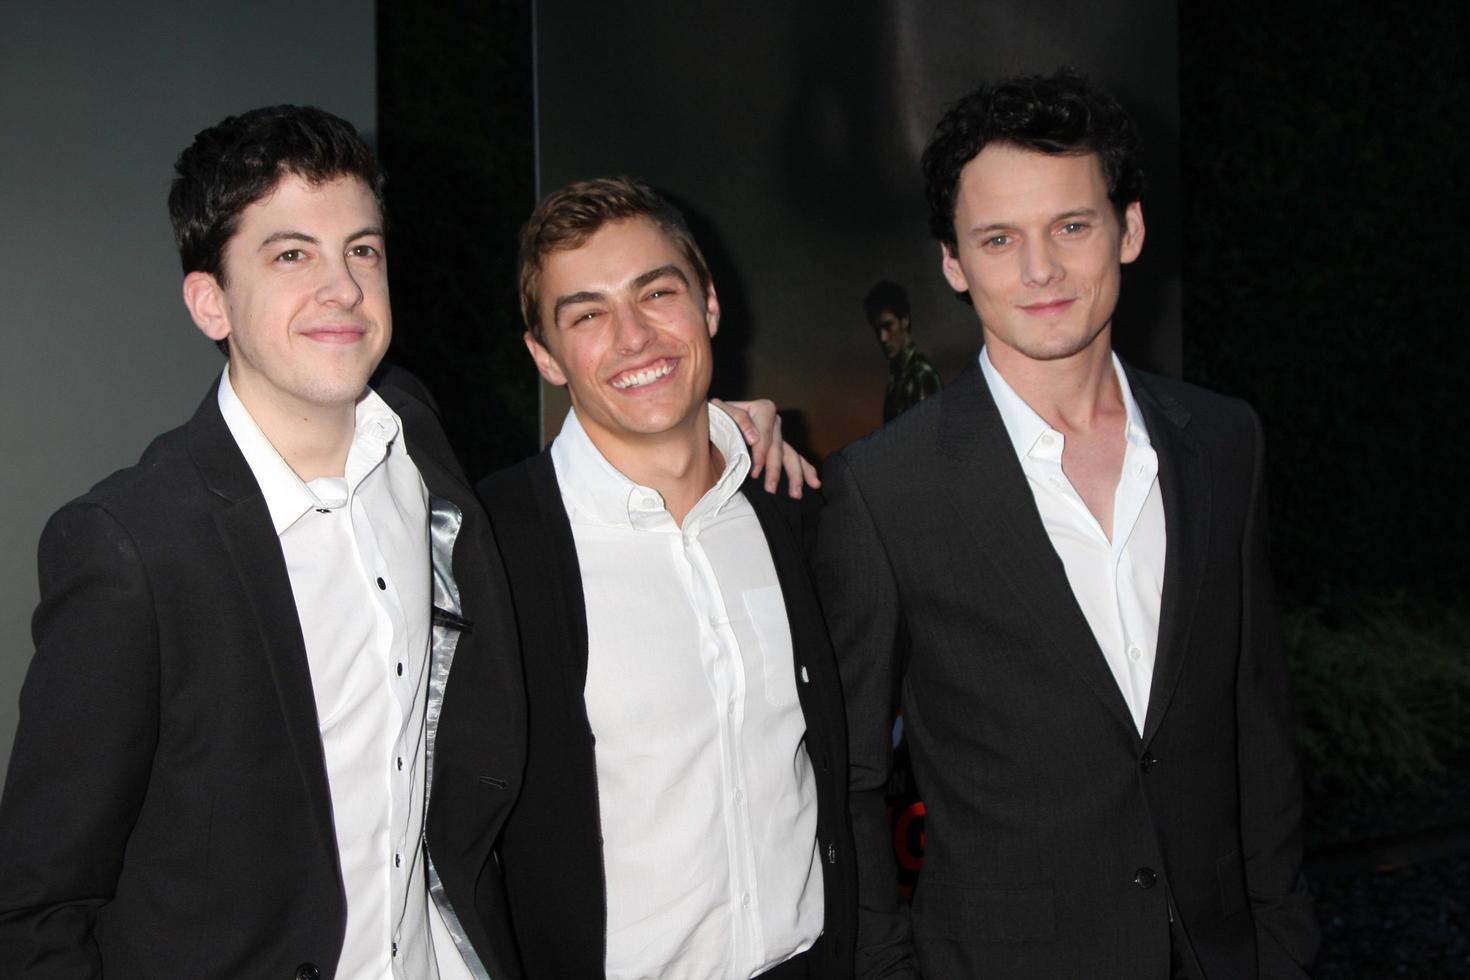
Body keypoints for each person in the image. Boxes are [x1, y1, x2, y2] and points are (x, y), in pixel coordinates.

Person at [0, 107, 807, 979]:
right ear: (210, 302)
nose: (341, 287)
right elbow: (39, 903)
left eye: (362, 249)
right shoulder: (132, 546)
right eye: (290, 254)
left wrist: (716, 424)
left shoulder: (417, 439)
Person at [812, 71, 1319, 979]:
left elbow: (1257, 724)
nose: (1038, 270)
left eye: (1071, 226)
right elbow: (847, 781)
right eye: (999, 238)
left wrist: (1282, 941)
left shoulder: (1224, 441)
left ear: (1128, 230)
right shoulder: (884, 491)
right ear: (954, 263)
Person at [477, 177, 856, 979]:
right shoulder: (490, 550)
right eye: (587, 314)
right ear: (545, 356)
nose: (635, 337)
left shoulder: (792, 507)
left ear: (709, 305)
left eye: (658, 293)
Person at [863, 280, 941, 422]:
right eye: (877, 330)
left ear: (904, 320)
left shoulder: (921, 375)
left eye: (888, 326)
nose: (883, 338)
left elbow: (928, 440)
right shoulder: (896, 380)